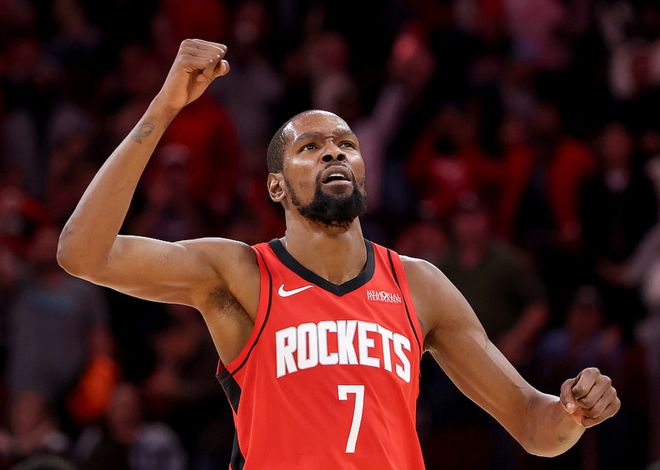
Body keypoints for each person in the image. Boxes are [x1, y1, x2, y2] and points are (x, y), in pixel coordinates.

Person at [57, 39, 620, 469]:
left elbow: (533, 424)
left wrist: (572, 412)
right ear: (276, 186)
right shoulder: (241, 273)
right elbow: (82, 253)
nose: (334, 152)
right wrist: (165, 106)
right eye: (310, 147)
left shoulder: (418, 285)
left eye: (346, 144)